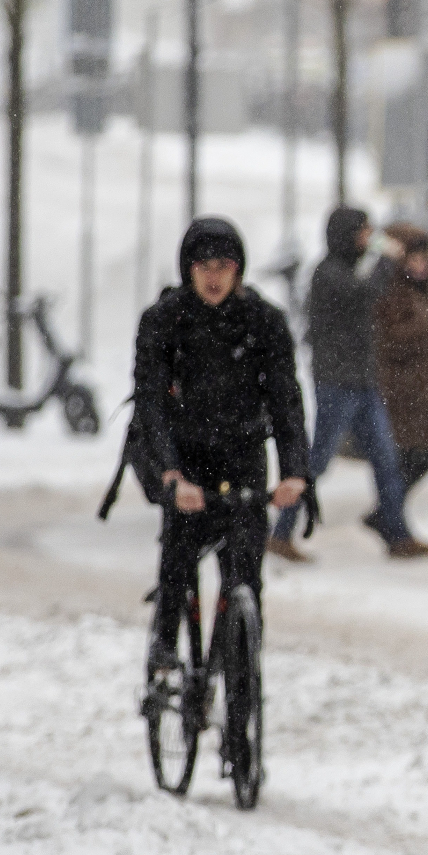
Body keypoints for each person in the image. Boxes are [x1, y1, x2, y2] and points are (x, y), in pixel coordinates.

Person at [134, 218, 309, 682]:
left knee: (246, 575)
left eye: (224, 266)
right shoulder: (163, 320)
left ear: (239, 270)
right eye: (203, 266)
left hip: (243, 457)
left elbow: (286, 400)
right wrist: (171, 474)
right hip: (184, 459)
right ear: (188, 269)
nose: (213, 277)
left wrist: (295, 471)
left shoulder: (265, 322)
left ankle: (242, 705)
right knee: (178, 550)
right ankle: (165, 642)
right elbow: (150, 405)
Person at [267, 207, 428, 561]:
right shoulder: (328, 274)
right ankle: (281, 532)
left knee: (386, 460)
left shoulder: (345, 271)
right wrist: (384, 258)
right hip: (337, 383)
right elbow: (365, 295)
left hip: (362, 382)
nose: (368, 239)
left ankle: (398, 535)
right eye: (363, 233)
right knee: (317, 462)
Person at [373, 222, 428, 510]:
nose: (422, 264)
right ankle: (389, 517)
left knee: (420, 457)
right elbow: (390, 340)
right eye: (414, 258)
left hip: (421, 392)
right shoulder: (391, 292)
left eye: (424, 258)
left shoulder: (420, 290)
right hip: (402, 392)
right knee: (413, 458)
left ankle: (391, 517)